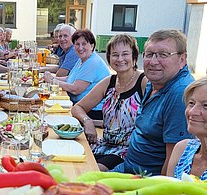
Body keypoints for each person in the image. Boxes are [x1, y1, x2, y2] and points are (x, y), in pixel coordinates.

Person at [113, 29, 195, 175]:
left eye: (163, 55)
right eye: (149, 55)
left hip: (145, 180)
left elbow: (173, 162)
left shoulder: (179, 93)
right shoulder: (155, 81)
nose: (153, 62)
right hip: (128, 167)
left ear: (182, 59)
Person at [71, 34, 147, 171]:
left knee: (91, 170)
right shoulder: (110, 82)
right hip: (104, 144)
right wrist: (87, 121)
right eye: (115, 55)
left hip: (127, 150)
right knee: (73, 160)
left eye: (125, 54)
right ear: (109, 58)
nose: (120, 59)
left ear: (134, 57)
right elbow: (78, 108)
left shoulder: (143, 82)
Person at [45, 29, 110, 119]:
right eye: (77, 44)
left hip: (92, 111)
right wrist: (50, 78)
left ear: (92, 45)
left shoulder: (93, 62)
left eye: (84, 44)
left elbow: (76, 89)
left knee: (54, 116)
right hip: (80, 107)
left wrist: (53, 81)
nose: (80, 48)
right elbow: (70, 78)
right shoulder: (82, 59)